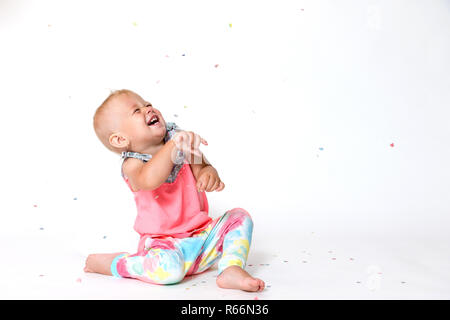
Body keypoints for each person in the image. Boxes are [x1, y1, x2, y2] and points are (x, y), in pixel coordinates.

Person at [85, 89, 265, 292]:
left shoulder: (180, 142)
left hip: (201, 239)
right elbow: (150, 179)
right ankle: (116, 264)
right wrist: (174, 145)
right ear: (120, 140)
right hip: (164, 247)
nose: (148, 108)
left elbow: (201, 165)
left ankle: (230, 269)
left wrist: (208, 173)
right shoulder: (132, 165)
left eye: (147, 103)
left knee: (239, 217)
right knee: (169, 271)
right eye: (136, 110)